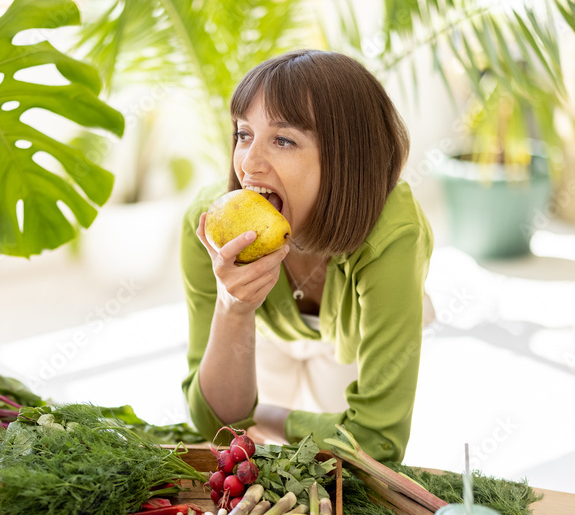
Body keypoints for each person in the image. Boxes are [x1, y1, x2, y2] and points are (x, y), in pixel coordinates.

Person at [179, 49, 434, 463]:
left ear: (345, 158)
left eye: (283, 140)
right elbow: (219, 425)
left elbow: (376, 443)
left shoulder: (393, 236)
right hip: (271, 328)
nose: (250, 164)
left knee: (337, 444)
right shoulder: (208, 226)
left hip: (353, 332)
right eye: (244, 134)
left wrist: (273, 418)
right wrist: (234, 308)